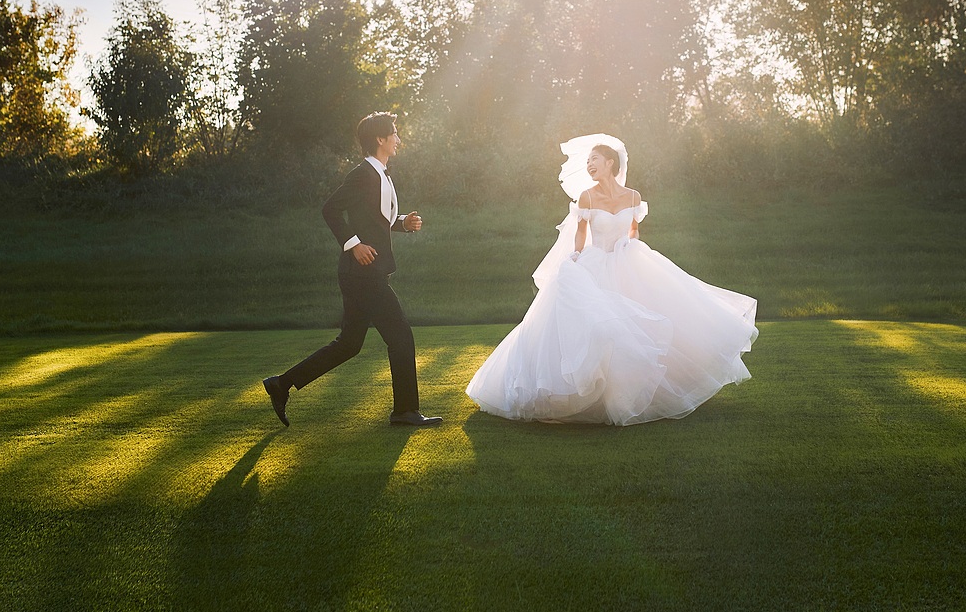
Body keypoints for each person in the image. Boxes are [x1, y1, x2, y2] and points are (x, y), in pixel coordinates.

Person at [466, 134, 758, 425]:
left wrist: (629, 245)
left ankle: (646, 390)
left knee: (654, 315)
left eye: (594, 159)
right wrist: (577, 255)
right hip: (595, 261)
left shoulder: (633, 196)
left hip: (627, 259)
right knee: (600, 324)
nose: (590, 164)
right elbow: (581, 231)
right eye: (588, 160)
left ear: (610, 163)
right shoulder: (587, 196)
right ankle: (592, 394)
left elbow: (633, 229)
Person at [263, 112, 442, 428]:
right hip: (362, 273)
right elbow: (329, 209)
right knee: (400, 335)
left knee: (349, 344)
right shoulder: (362, 174)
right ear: (380, 139)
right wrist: (353, 244)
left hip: (362, 274)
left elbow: (376, 221)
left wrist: (403, 224)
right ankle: (405, 411)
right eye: (395, 133)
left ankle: (282, 384)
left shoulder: (381, 175)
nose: (398, 139)